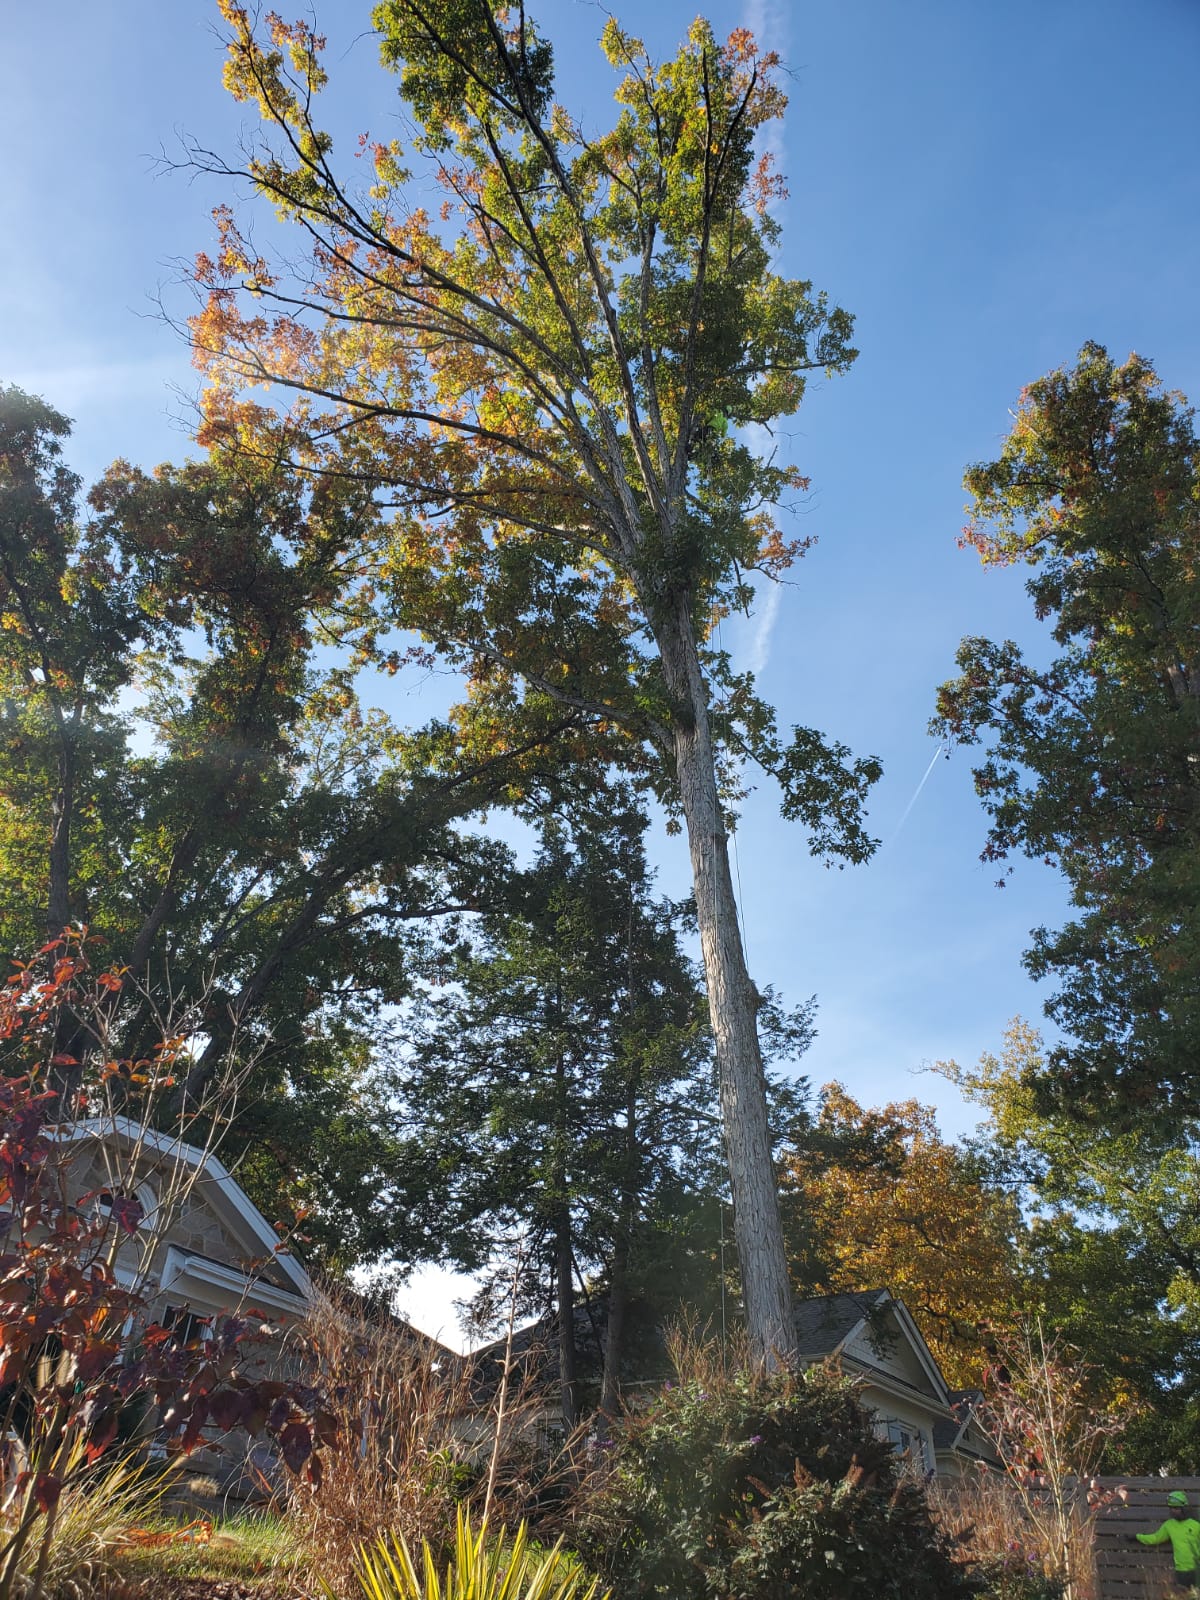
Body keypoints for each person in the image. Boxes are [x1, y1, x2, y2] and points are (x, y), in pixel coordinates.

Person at [1127, 1490, 1200, 1590]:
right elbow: (1156, 1538)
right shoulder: (1169, 1525)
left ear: (1184, 1508)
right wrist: (1137, 1537)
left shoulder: (1195, 1525)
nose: (1173, 1511)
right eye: (1171, 1508)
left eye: (1176, 1508)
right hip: (1181, 1571)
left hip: (1197, 1570)